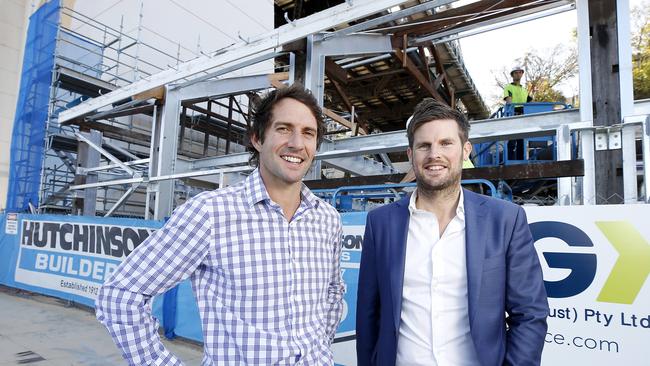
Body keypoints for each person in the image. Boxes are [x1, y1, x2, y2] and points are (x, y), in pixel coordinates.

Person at [96, 84, 345, 365]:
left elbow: (333, 294)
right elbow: (120, 295)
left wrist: (317, 352)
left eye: (308, 133)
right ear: (257, 139)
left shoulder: (327, 219)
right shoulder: (211, 214)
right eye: (284, 128)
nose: (297, 143)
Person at [356, 98, 548, 366]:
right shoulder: (380, 223)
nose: (435, 154)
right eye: (424, 145)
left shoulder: (505, 220)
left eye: (446, 143)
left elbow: (529, 314)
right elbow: (368, 315)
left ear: (465, 150)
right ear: (411, 155)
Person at [503, 65, 532, 160]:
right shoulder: (509, 87)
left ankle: (520, 161)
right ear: (512, 75)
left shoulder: (524, 90)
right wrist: (511, 115)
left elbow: (530, 103)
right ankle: (509, 161)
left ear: (522, 74)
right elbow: (509, 101)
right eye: (516, 72)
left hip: (524, 114)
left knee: (521, 141)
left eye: (520, 72)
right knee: (512, 140)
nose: (518, 74)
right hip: (513, 113)